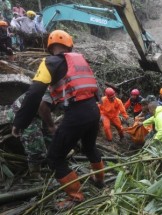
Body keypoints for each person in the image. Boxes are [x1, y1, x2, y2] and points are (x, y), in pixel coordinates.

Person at [12, 30, 104, 210]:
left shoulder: (49, 62)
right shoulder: (80, 60)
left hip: (76, 114)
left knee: (55, 158)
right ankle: (100, 180)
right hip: (94, 111)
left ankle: (76, 197)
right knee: (90, 147)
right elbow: (94, 89)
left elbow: (34, 94)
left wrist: (20, 123)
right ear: (70, 45)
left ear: (49, 47)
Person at [6, 93, 55, 179]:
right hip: (21, 114)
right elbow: (42, 107)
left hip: (36, 114)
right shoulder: (51, 90)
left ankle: (49, 162)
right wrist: (51, 125)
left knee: (50, 137)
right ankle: (35, 173)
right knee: (35, 144)